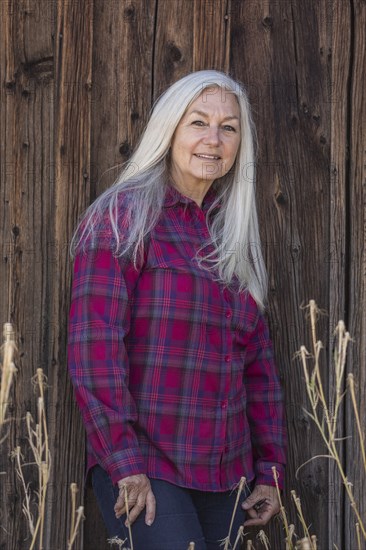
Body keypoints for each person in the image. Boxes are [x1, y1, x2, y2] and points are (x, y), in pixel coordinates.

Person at [68, 70, 287, 550]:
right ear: (170, 129)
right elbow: (94, 352)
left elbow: (258, 371)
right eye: (199, 122)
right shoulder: (123, 218)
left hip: (225, 476)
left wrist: (269, 470)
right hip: (146, 466)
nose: (213, 139)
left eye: (228, 128)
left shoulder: (232, 239)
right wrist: (124, 462)